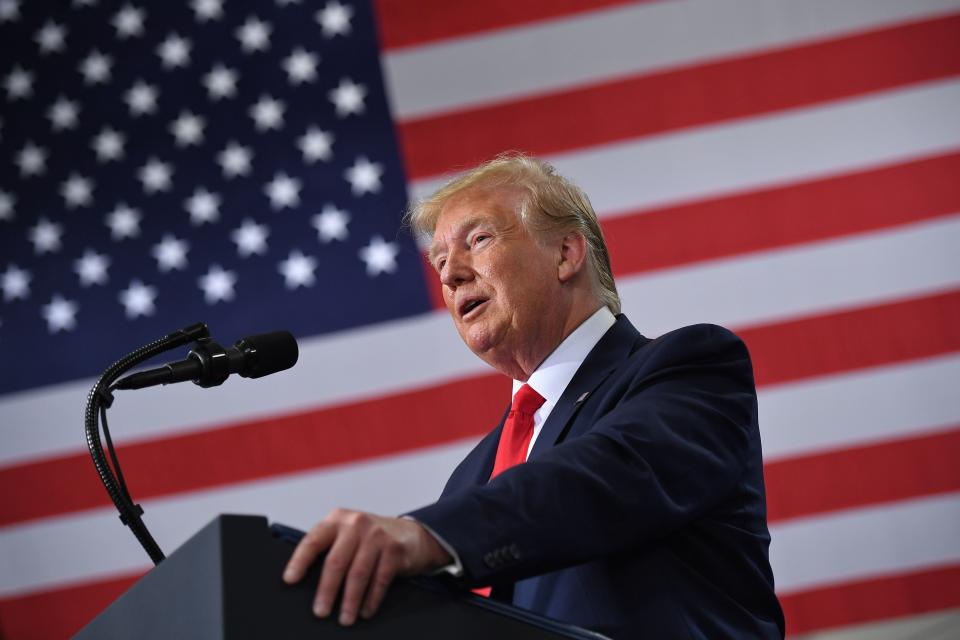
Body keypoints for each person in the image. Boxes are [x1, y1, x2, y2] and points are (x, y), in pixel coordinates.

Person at [283, 154, 785, 638]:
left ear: (566, 253)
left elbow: (607, 475)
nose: (450, 274)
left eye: (477, 240)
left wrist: (427, 535)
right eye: (439, 261)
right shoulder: (471, 478)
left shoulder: (688, 367)